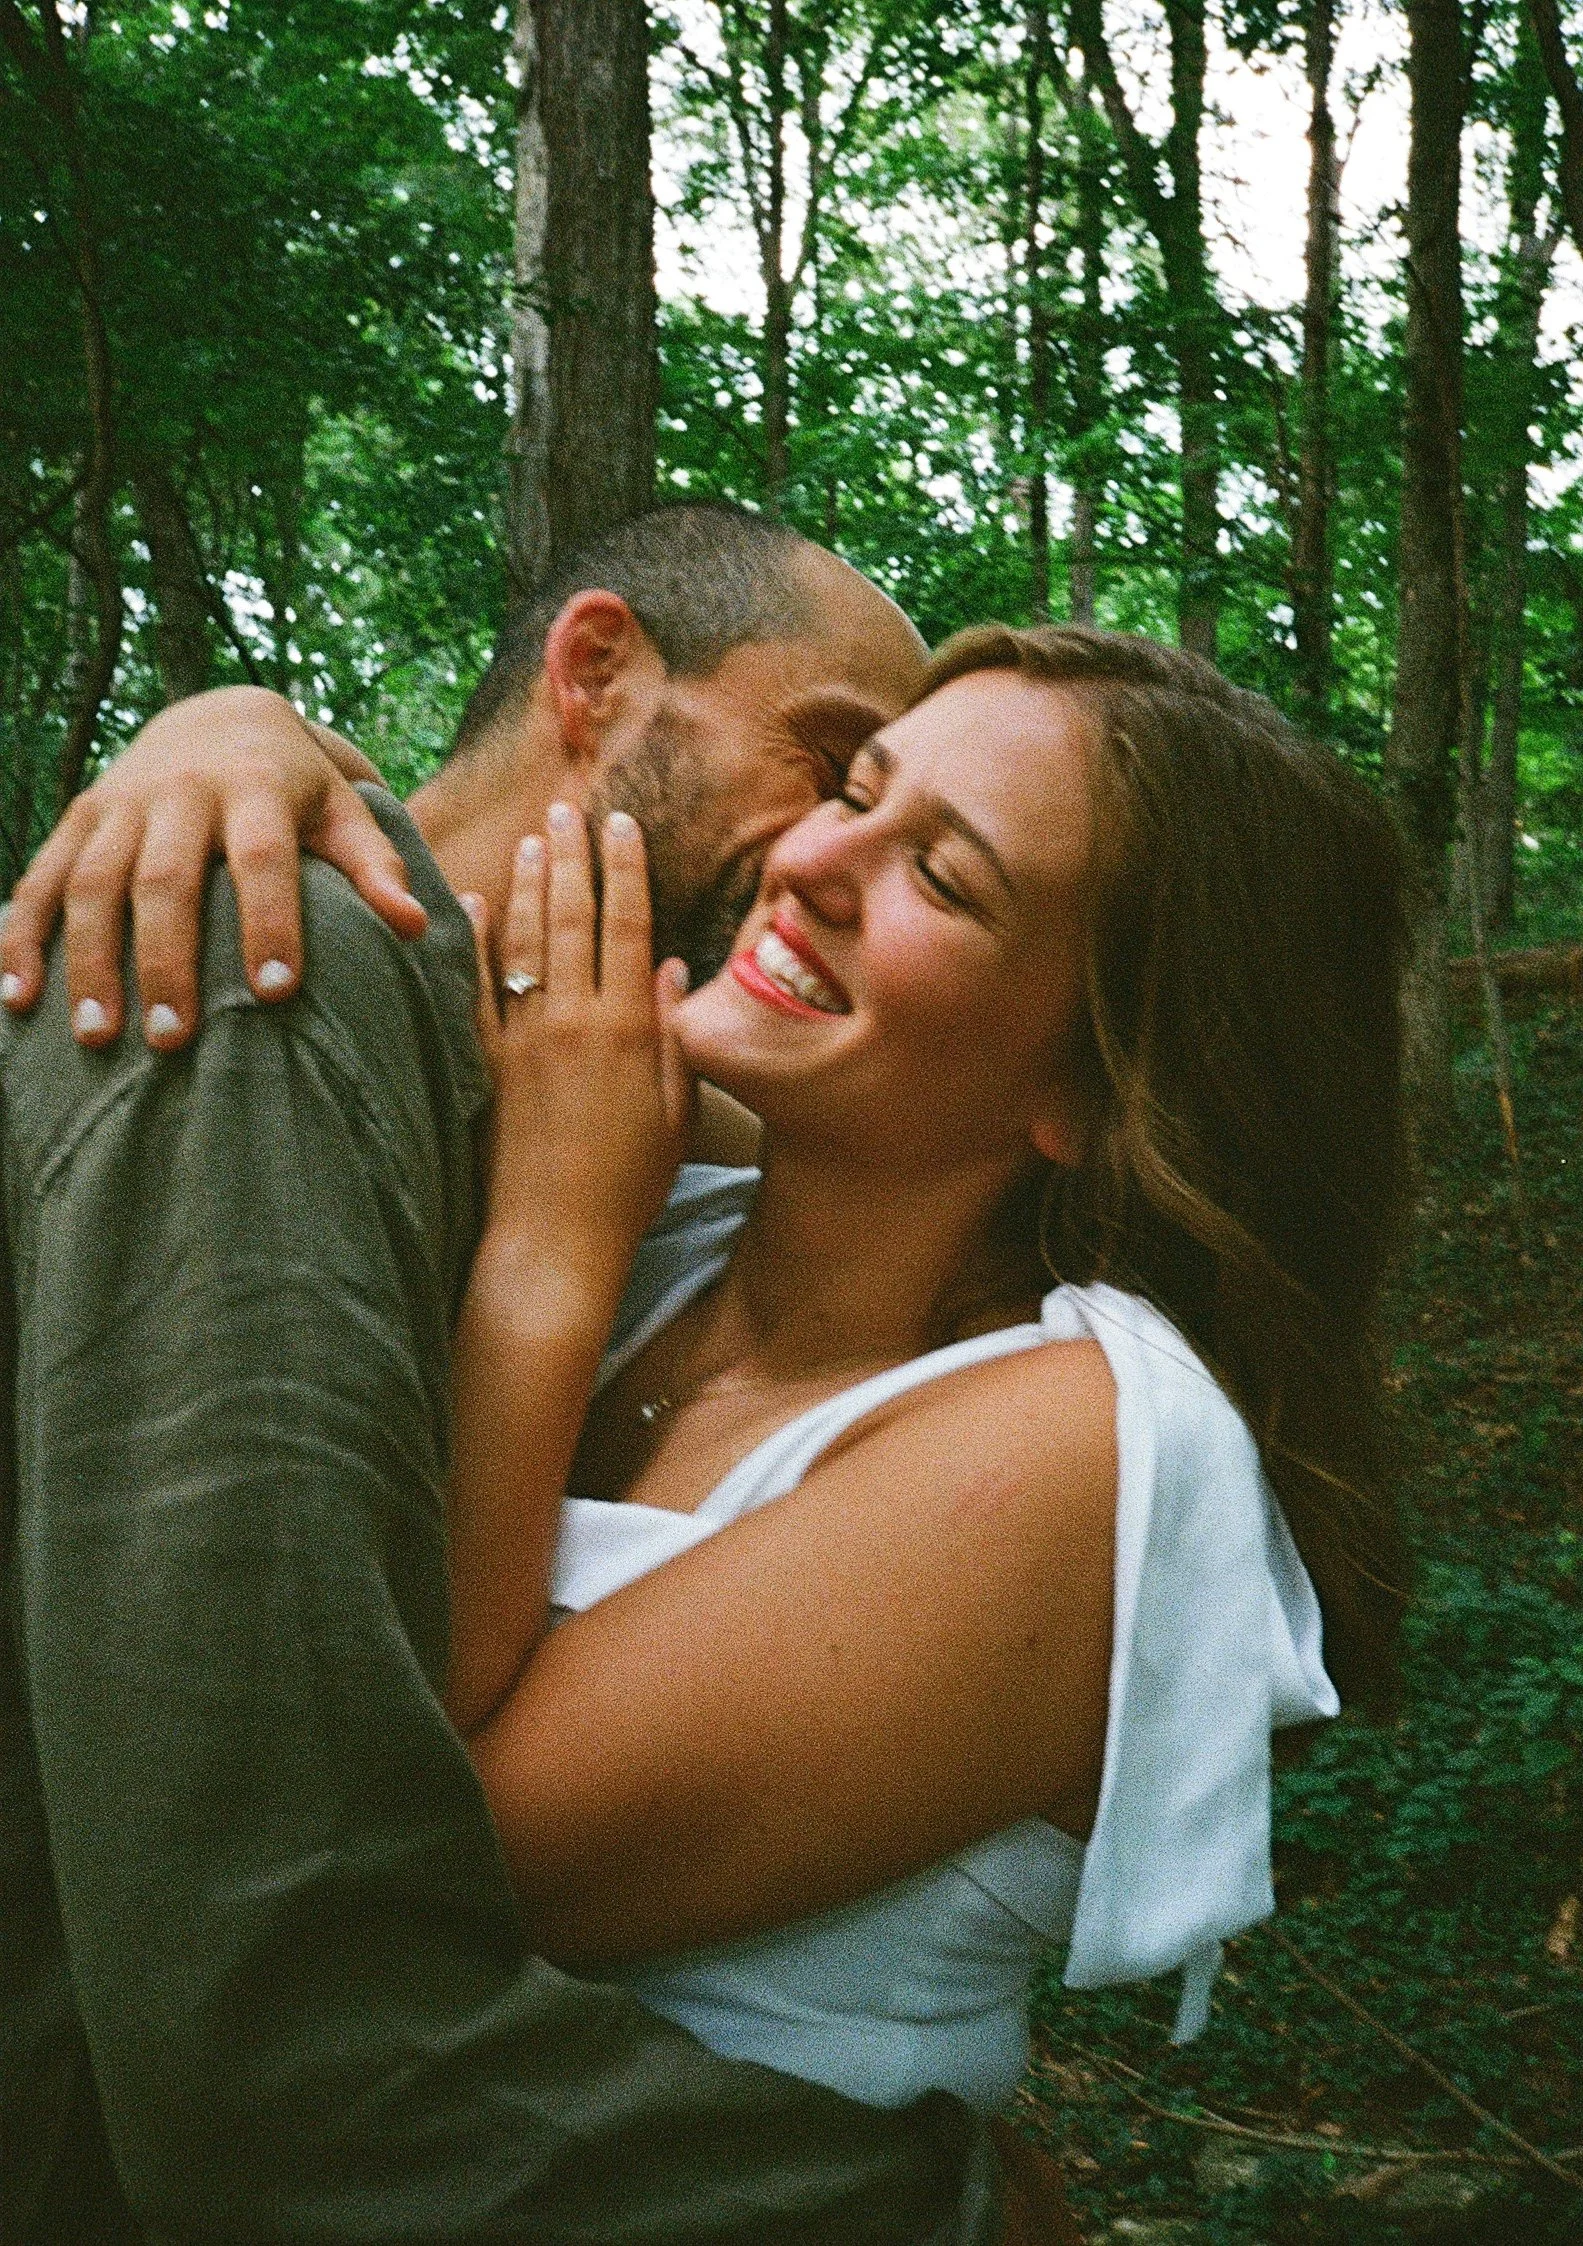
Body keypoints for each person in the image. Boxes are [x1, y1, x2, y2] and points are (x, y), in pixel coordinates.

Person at [8, 594, 1409, 2223]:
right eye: (857, 788)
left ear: (1089, 1093)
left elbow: (372, 1858)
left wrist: (545, 1256)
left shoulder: (1081, 1443)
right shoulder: (676, 1213)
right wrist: (230, 722)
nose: (816, 861)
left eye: (939, 877)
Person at [0, 504, 1016, 2246]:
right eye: (833, 765)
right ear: (598, 669)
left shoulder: (589, 1118)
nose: (820, 860)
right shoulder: (263, 986)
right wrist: (930, 2203)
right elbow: (274, 2027)